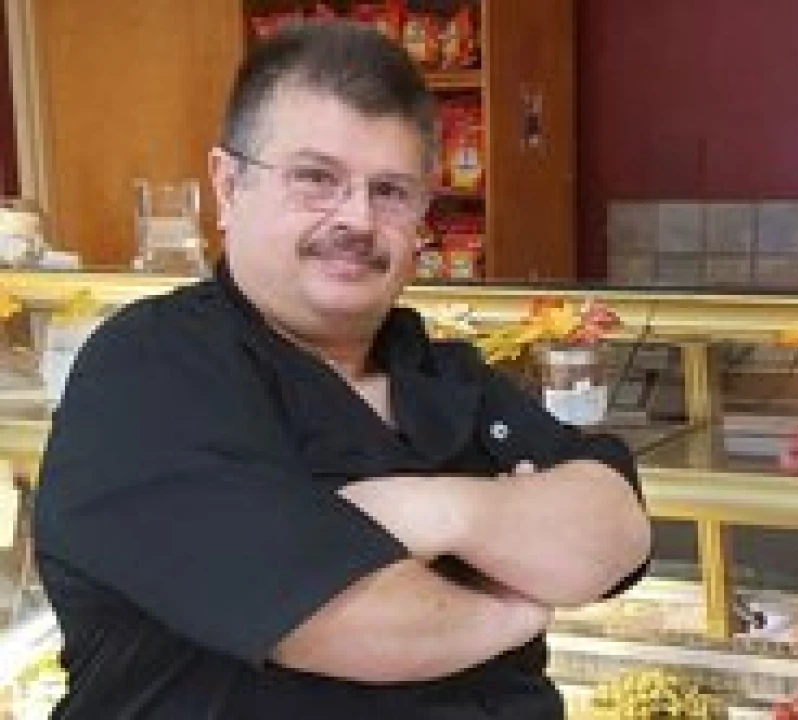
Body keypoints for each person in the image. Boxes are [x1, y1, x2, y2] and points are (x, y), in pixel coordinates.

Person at [32, 22, 651, 720]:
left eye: (390, 191)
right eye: (315, 179)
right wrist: (515, 608)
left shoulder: (442, 369)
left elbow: (615, 533)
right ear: (228, 187)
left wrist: (435, 510)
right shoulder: (151, 369)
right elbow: (346, 622)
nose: (356, 218)